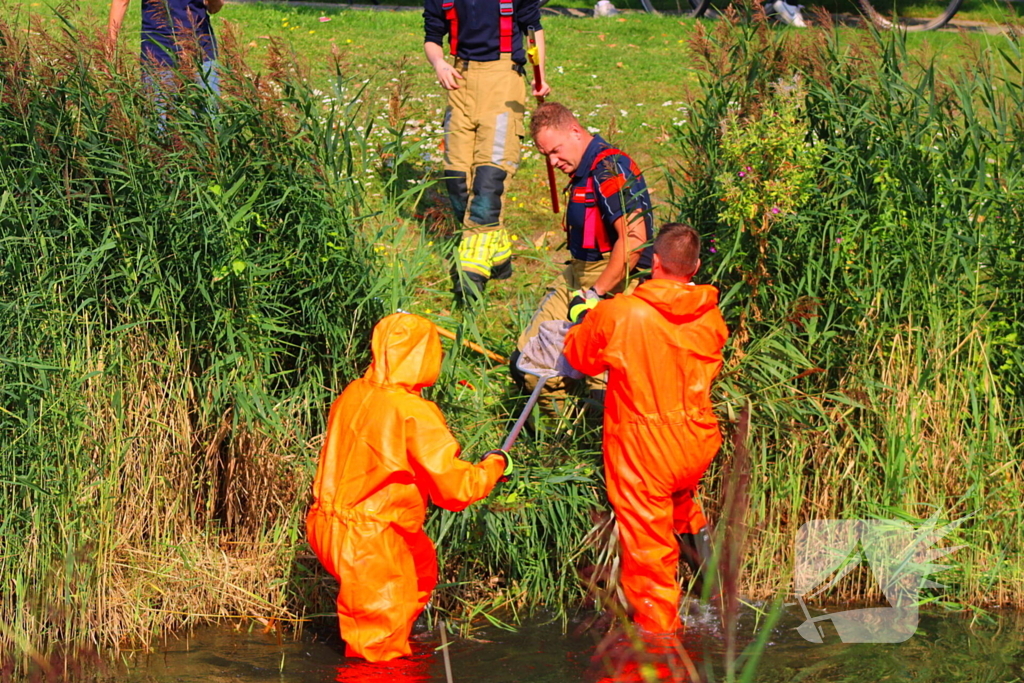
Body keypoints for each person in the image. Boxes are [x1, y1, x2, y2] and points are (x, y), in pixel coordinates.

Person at [306, 313, 511, 662]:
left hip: (328, 523)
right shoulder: (413, 411)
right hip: (371, 539)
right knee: (376, 655)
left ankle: (398, 638)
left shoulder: (355, 392)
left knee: (419, 568)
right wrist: (495, 465)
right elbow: (456, 489)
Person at [562, 223, 728, 634]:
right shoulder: (709, 313)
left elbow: (580, 358)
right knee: (682, 499)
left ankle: (659, 642)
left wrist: (584, 316)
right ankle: (716, 593)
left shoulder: (623, 312)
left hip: (645, 448)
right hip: (696, 439)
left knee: (648, 550)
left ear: (653, 262)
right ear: (696, 267)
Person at [513, 101, 653, 414]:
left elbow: (633, 241)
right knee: (528, 359)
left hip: (614, 280)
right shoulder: (582, 167)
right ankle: (552, 440)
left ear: (575, 131)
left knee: (600, 383)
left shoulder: (609, 168)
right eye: (545, 155)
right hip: (577, 273)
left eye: (555, 151)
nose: (552, 161)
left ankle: (584, 445)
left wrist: (596, 294)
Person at [423, 0, 549, 301]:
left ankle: (471, 271)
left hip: (503, 81)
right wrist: (440, 64)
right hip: (460, 82)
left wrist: (540, 75)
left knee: (490, 179)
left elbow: (533, 29)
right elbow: (432, 37)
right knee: (456, 179)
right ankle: (498, 251)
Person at [106, 0, 222, 96]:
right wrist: (110, 47)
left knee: (208, 115)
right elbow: (121, 2)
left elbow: (213, 8)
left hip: (200, 46)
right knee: (158, 115)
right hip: (158, 49)